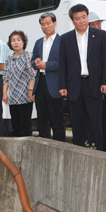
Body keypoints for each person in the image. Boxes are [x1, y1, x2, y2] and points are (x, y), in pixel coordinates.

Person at [58, 4, 106, 150]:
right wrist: (62, 85)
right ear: (72, 20)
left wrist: (105, 81)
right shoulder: (65, 38)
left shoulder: (100, 35)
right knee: (77, 122)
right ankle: (79, 152)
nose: (81, 21)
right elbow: (62, 64)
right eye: (77, 18)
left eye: (84, 17)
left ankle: (98, 152)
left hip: (94, 84)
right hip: (74, 86)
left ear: (87, 17)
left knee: (95, 122)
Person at [32, 12, 65, 141]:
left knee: (57, 119)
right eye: (42, 24)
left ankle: (60, 147)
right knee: (42, 118)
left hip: (55, 84)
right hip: (40, 83)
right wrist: (35, 63)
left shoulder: (62, 41)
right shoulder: (38, 42)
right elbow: (33, 60)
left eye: (48, 23)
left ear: (55, 23)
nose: (45, 26)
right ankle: (43, 146)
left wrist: (47, 65)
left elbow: (64, 63)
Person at [3, 31, 36, 137]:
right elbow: (5, 78)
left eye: (18, 40)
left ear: (23, 42)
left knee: (26, 125)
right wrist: (5, 93)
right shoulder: (8, 59)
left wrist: (30, 91)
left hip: (25, 96)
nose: (16, 42)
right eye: (13, 40)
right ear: (10, 43)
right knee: (15, 125)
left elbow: (33, 74)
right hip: (13, 97)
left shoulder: (28, 56)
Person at [88, 11, 106, 152]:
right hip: (86, 85)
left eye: (99, 23)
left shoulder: (103, 37)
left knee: (103, 120)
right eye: (94, 24)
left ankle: (105, 149)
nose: (97, 26)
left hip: (101, 86)